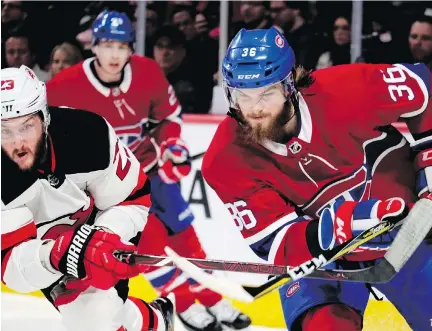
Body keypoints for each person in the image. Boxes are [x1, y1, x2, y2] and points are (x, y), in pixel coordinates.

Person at [202, 27, 432, 331]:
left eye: (266, 93)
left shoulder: (347, 89)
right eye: (243, 95)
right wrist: (341, 224)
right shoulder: (224, 160)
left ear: (288, 86)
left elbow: (423, 86)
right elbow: (278, 243)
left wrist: (429, 169)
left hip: (409, 235)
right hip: (326, 258)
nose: (255, 108)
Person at [46, 10, 251, 331]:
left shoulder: (147, 72)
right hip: (112, 192)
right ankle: (182, 302)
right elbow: (39, 129)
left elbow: (168, 117)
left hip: (152, 174)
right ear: (94, 47)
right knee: (151, 248)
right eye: (107, 45)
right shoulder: (66, 86)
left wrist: (170, 147)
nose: (114, 54)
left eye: (121, 46)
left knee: (187, 236)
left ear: (131, 48)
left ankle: (211, 297)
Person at [1, 65, 175, 331]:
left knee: (91, 318)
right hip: (42, 248)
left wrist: (105, 236)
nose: (18, 143)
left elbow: (133, 197)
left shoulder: (87, 133)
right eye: (5, 131)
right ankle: (157, 321)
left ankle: (154, 322)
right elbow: (11, 267)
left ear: (44, 116)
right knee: (94, 317)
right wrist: (53, 255)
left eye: (26, 126)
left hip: (97, 222)